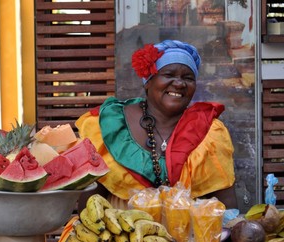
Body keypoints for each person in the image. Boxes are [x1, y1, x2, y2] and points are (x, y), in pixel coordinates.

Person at [76, 40, 237, 210]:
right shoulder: (112, 125)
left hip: (189, 234)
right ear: (148, 82)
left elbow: (227, 207)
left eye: (187, 78)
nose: (179, 83)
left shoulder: (210, 133)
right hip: (123, 232)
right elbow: (90, 205)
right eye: (169, 75)